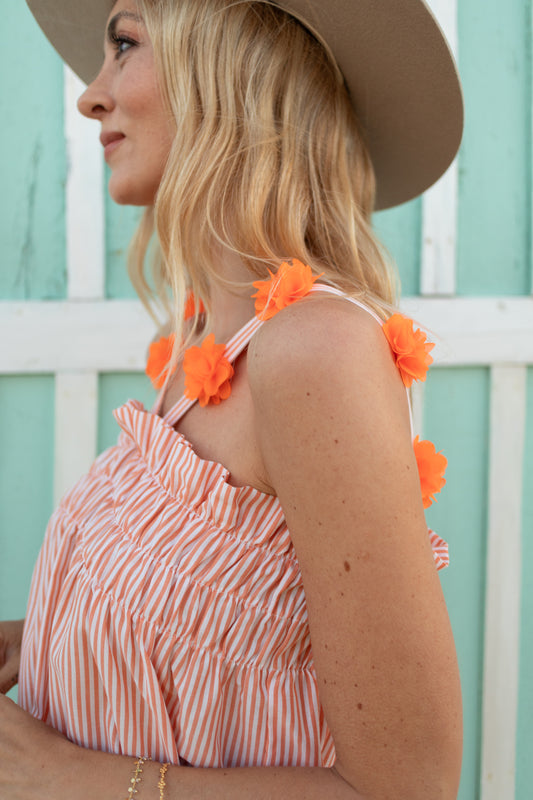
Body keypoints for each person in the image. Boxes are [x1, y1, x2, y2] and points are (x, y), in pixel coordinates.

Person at [0, 0, 464, 797]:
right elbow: (229, 629)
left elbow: (404, 787)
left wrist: (54, 774)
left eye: (125, 43)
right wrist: (51, 634)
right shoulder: (210, 349)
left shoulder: (314, 351)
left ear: (234, 71)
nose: (90, 94)